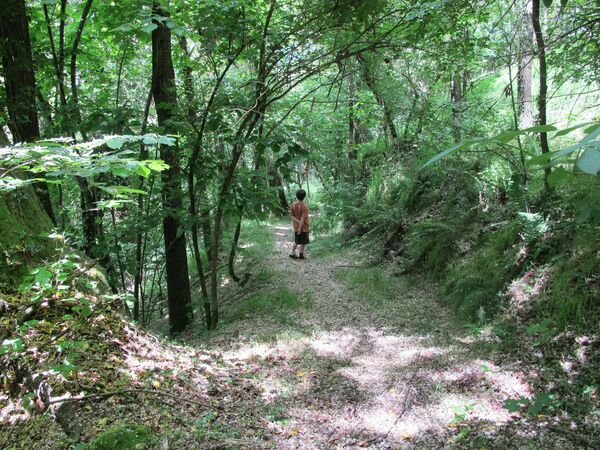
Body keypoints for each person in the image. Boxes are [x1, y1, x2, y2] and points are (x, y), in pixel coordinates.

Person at [289, 188, 310, 260]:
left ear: (296, 196)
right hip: (303, 227)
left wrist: (297, 222)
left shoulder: (293, 205)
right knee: (302, 242)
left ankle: (292, 253)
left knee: (296, 240)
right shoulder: (305, 207)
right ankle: (301, 254)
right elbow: (303, 219)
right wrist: (300, 228)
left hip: (296, 226)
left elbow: (292, 216)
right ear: (304, 196)